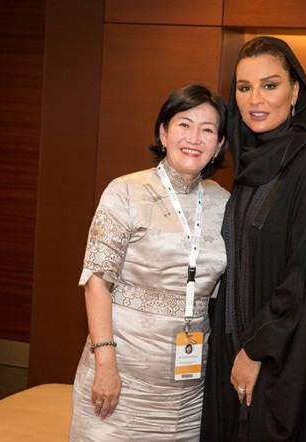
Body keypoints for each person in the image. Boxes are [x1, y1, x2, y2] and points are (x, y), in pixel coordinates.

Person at [201, 36, 306, 441]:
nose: (256, 99)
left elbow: (304, 273)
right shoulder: (251, 166)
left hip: (280, 362)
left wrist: (256, 350)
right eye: (244, 87)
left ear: (295, 91)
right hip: (235, 351)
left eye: (270, 85)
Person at [70, 84, 229, 441]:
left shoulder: (226, 204)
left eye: (207, 130)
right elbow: (97, 280)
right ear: (163, 132)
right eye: (184, 125)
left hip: (188, 391)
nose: (194, 138)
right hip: (121, 377)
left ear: (219, 144)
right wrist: (105, 364)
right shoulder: (125, 191)